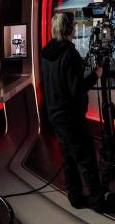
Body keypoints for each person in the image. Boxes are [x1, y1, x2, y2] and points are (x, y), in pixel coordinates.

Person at [41, 12, 104, 210]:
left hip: (55, 115)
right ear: (69, 29)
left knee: (68, 158)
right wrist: (95, 75)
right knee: (86, 159)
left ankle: (75, 198)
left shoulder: (47, 52)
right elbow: (76, 90)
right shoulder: (70, 54)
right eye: (74, 26)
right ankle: (97, 200)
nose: (76, 29)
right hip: (71, 117)